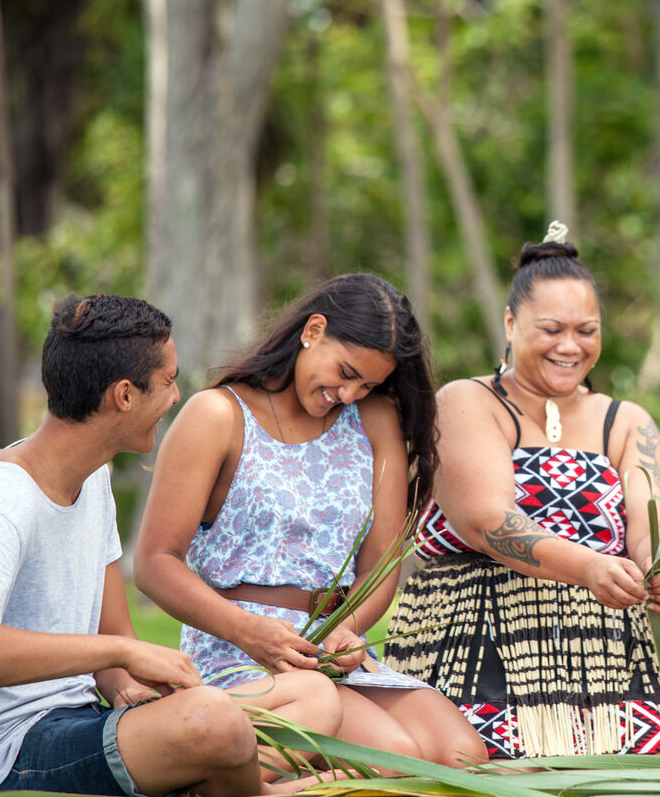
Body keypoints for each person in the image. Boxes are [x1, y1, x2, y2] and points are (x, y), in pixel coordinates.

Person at [134, 273, 486, 769]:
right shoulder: (217, 415)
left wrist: (351, 628)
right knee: (398, 758)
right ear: (312, 330)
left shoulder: (373, 419)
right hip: (241, 649)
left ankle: (262, 776)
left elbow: (379, 567)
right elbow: (154, 563)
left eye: (367, 384)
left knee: (462, 756)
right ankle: (223, 781)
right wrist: (248, 630)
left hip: (334, 645)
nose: (347, 394)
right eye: (345, 372)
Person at [0, 293, 312, 797]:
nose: (178, 397)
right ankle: (255, 795)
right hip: (10, 760)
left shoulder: (93, 481)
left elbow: (114, 638)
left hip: (90, 720)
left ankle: (201, 782)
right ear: (125, 395)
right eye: (170, 380)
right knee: (217, 721)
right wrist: (122, 656)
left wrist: (137, 687)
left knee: (310, 696)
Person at [383, 223, 660, 759]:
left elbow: (653, 521)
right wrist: (590, 567)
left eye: (587, 330)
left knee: (638, 787)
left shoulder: (626, 421)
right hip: (475, 653)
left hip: (608, 664)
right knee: (481, 770)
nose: (570, 346)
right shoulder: (467, 402)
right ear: (510, 322)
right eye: (551, 329)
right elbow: (488, 521)